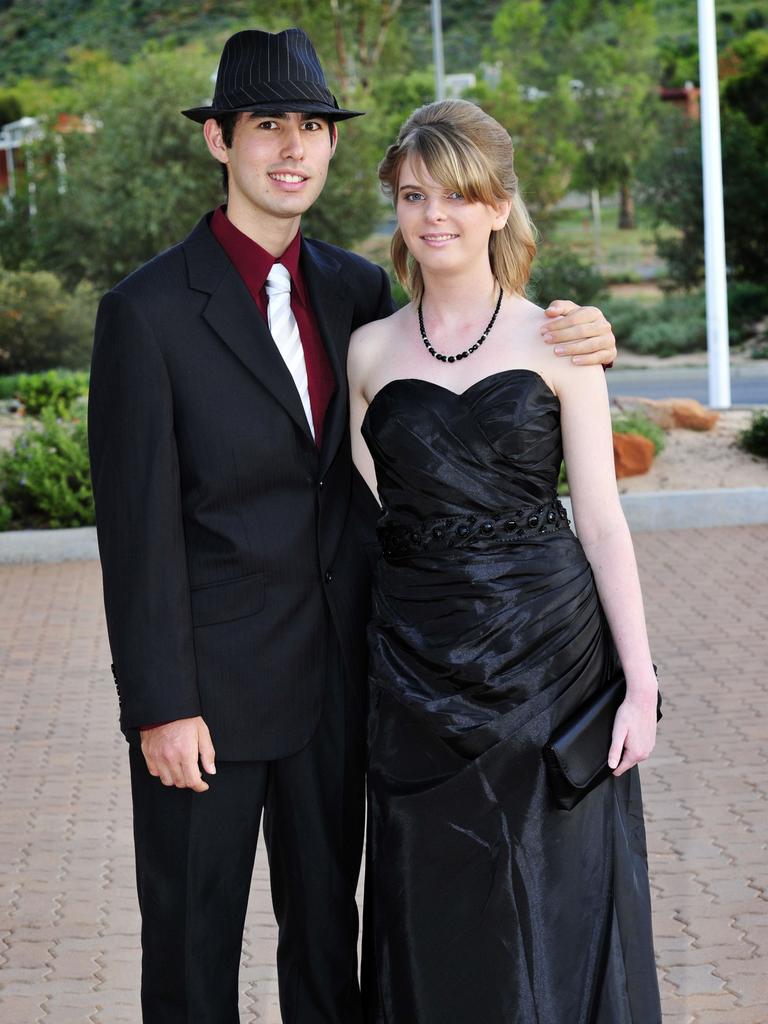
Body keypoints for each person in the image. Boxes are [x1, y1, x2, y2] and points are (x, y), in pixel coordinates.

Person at [88, 27, 618, 1024]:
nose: (293, 148)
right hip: (209, 700)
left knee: (331, 947)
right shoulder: (146, 313)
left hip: (346, 687)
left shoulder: (361, 294)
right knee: (194, 953)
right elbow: (137, 531)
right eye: (266, 126)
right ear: (221, 143)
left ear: (331, 149)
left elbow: (467, 371)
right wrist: (162, 705)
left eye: (312, 128)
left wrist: (585, 334)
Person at [348, 99, 661, 1023]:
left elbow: (601, 522)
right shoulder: (368, 351)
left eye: (456, 193)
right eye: (413, 195)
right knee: (430, 895)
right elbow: (377, 507)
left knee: (553, 893)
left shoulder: (561, 342)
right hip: (415, 667)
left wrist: (640, 682)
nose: (433, 214)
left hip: (550, 665)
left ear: (496, 206)